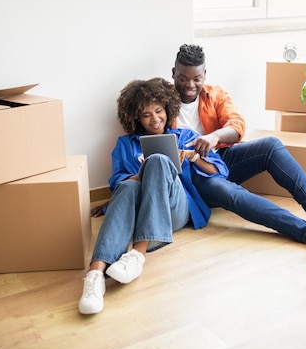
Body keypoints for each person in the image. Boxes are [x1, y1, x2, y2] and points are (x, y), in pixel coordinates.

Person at [171, 44, 306, 254]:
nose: (190, 85)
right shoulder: (161, 100)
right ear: (174, 73)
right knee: (227, 190)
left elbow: (237, 126)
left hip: (220, 159)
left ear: (204, 75)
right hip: (192, 176)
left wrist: (214, 136)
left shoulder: (215, 94)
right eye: (183, 78)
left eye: (197, 79)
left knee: (270, 145)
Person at [79, 77, 228, 315]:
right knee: (128, 187)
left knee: (158, 159)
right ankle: (95, 275)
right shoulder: (124, 144)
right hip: (140, 212)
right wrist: (141, 173)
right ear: (136, 117)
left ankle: (137, 254)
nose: (155, 118)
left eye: (158, 110)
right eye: (146, 114)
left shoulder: (185, 136)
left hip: (175, 211)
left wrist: (192, 156)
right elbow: (117, 183)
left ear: (168, 109)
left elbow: (220, 171)